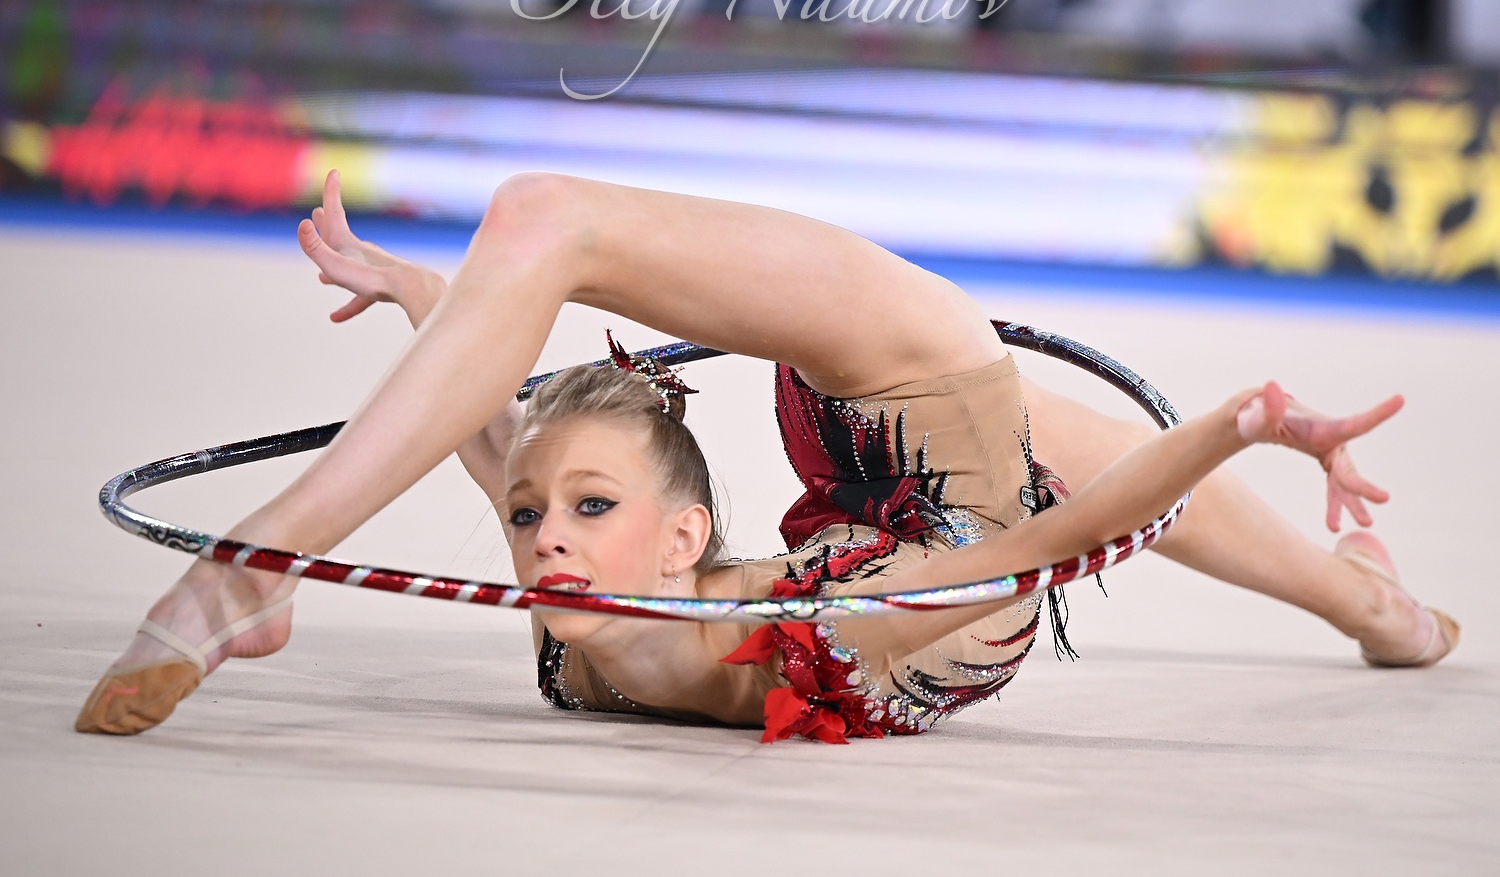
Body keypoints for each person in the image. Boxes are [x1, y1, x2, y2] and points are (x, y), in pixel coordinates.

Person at [75, 171, 1458, 742]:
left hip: (913, 407)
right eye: (533, 520)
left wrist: (1242, 422)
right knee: (1064, 454)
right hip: (943, 510)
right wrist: (434, 309)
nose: (539, 539)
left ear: (678, 540)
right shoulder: (739, 618)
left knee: (545, 216)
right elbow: (1061, 534)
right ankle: (1381, 606)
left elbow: (503, 451)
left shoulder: (595, 643)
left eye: (578, 509)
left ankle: (257, 565)